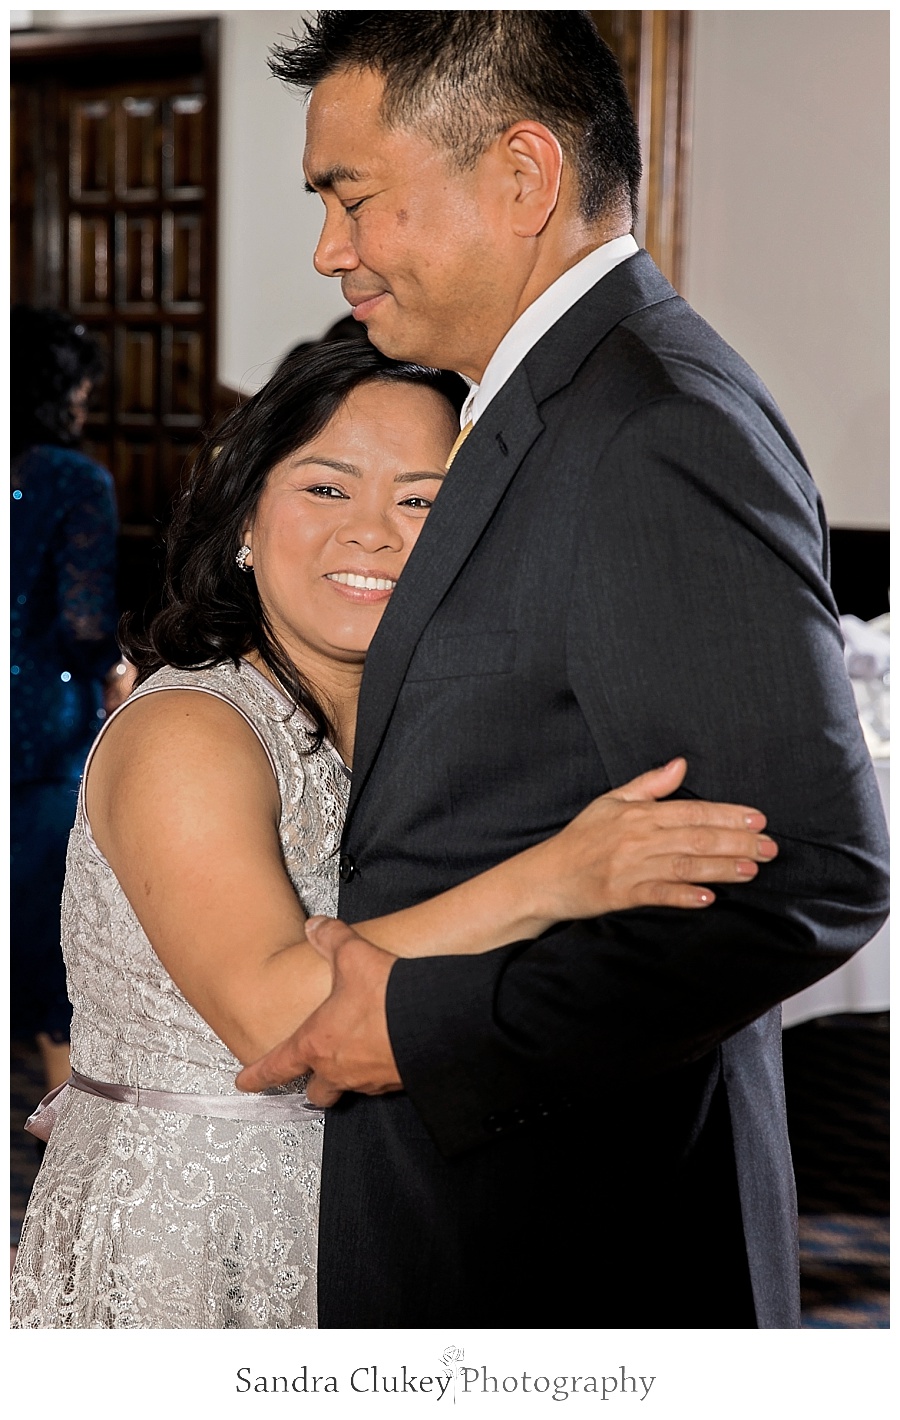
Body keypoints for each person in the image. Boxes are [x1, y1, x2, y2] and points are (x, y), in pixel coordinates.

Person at [239, 12, 891, 1328]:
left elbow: (808, 879)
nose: (330, 251)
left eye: (352, 199)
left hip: (584, 1232)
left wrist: (428, 1025)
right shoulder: (550, 401)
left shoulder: (655, 423)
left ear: (523, 177)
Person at [9, 342, 774, 1328]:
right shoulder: (189, 730)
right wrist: (561, 876)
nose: (372, 533)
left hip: (391, 1226)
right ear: (244, 514)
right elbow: (271, 1016)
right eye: (328, 487)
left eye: (421, 500)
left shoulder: (441, 725)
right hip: (200, 1238)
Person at [10, 307, 133, 1097]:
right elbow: (86, 622)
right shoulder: (72, 480)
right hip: (41, 730)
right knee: (49, 931)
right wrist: (118, 671)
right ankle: (60, 1158)